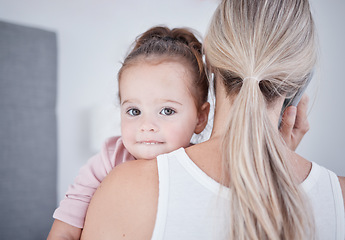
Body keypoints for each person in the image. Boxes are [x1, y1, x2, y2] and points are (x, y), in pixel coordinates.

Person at [80, 0, 345, 239]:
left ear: (210, 59)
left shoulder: (126, 188)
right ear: (299, 81)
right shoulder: (340, 198)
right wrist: (279, 157)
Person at [48, 24, 309, 239]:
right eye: (134, 111)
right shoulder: (107, 159)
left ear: (200, 117)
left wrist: (280, 154)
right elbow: (65, 230)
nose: (146, 125)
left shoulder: (202, 167)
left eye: (167, 111)